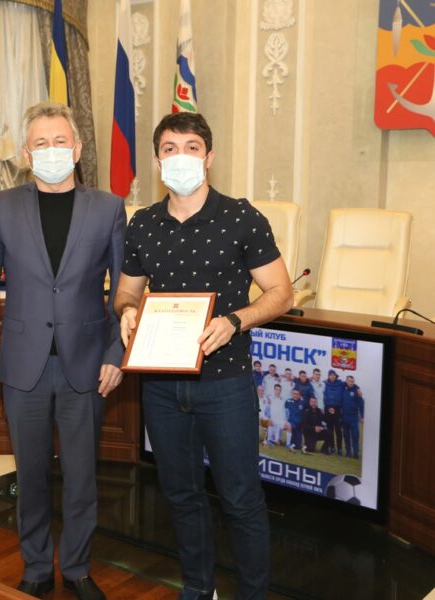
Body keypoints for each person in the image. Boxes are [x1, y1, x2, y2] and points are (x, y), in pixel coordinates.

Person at [114, 112, 293, 600]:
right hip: (161, 385)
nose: (181, 157)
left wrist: (235, 320)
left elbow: (281, 292)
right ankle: (197, 587)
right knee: (181, 495)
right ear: (158, 161)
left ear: (208, 157)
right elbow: (126, 292)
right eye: (170, 149)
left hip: (225, 383)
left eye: (191, 147)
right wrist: (127, 311)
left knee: (240, 499)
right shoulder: (143, 224)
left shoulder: (242, 217)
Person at [0, 101, 126, 600]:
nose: (51, 150)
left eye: (60, 141)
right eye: (41, 143)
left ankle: (77, 568)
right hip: (22, 366)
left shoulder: (109, 208)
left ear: (77, 149)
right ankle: (36, 566)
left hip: (87, 365)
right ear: (26, 153)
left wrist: (116, 354)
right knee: (31, 476)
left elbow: (125, 293)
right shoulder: (1, 207)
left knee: (81, 478)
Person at [341, 375, 364, 458]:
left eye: (353, 381)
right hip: (344, 416)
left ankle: (355, 453)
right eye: (350, 381)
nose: (351, 383)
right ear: (346, 381)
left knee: (355, 435)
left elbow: (361, 404)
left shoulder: (356, 390)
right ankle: (348, 452)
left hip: (353, 417)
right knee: (346, 435)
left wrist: (362, 416)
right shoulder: (342, 387)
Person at [323, 369, 344, 455]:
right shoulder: (324, 383)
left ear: (336, 376)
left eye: (334, 375)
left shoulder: (341, 383)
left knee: (338, 430)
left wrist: (357, 388)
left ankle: (339, 449)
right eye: (331, 375)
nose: (332, 376)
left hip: (337, 409)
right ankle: (332, 447)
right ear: (328, 376)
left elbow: (350, 384)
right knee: (330, 430)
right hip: (328, 408)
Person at [284, 388, 306, 452]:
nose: (295, 395)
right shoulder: (288, 401)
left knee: (298, 446)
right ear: (291, 394)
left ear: (299, 395)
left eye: (297, 394)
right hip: (291, 423)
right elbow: (285, 413)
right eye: (294, 394)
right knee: (293, 444)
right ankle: (289, 442)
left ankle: (296, 441)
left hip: (299, 425)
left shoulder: (302, 403)